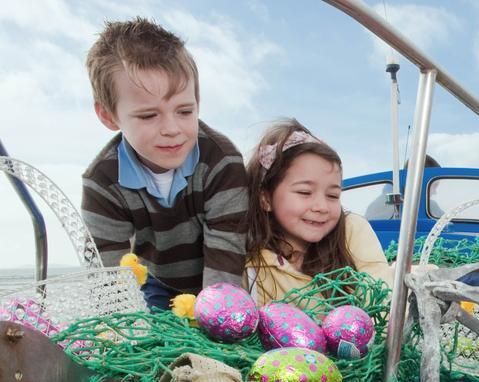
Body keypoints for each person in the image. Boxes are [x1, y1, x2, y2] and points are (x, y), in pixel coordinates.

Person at [81, 17, 248, 310]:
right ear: (109, 115)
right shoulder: (102, 181)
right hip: (156, 285)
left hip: (222, 280)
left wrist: (215, 321)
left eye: (184, 111)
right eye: (148, 115)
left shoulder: (222, 162)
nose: (172, 128)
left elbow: (226, 266)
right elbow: (109, 282)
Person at [243, 119, 393, 307]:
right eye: (305, 192)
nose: (321, 206)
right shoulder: (252, 266)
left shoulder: (351, 230)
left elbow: (384, 297)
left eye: (333, 195)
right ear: (265, 199)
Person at [363, 154, 443, 221]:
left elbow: (446, 223)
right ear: (418, 180)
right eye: (435, 185)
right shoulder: (386, 202)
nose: (435, 192)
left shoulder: (432, 206)